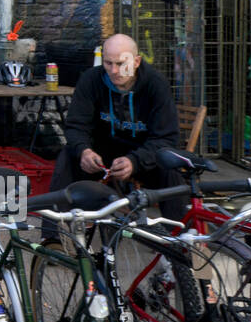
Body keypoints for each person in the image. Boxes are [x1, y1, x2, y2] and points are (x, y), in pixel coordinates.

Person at [44, 33, 186, 242]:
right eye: (108, 63)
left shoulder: (156, 85)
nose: (113, 71)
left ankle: (178, 241)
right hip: (102, 152)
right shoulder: (91, 79)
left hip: (143, 153)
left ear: (136, 61)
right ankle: (52, 239)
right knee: (68, 156)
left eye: (121, 63)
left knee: (171, 169)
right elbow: (75, 126)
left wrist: (135, 161)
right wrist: (84, 150)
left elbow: (166, 138)